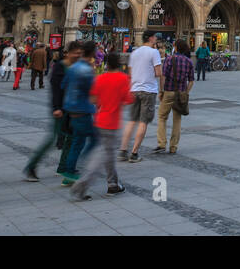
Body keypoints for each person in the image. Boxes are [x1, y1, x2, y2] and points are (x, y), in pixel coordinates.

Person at [74, 51, 130, 200]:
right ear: (119, 63)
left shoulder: (100, 78)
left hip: (99, 120)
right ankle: (83, 183)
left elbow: (92, 99)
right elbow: (128, 99)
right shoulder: (122, 78)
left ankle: (113, 185)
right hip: (112, 122)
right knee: (103, 155)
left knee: (109, 154)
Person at [24, 40, 80, 182]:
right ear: (67, 53)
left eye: (80, 53)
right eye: (75, 53)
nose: (78, 55)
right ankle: (31, 167)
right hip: (60, 109)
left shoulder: (76, 66)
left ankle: (63, 167)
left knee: (71, 138)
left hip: (72, 108)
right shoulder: (60, 67)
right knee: (53, 139)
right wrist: (56, 108)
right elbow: (56, 89)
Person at [58, 42, 98, 186]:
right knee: (94, 139)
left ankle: (69, 171)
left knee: (77, 141)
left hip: (71, 111)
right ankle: (78, 167)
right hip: (83, 110)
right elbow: (92, 92)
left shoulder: (73, 67)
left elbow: (63, 85)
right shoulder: (87, 70)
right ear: (92, 53)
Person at [121, 33, 163, 162]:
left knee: (132, 120)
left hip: (135, 89)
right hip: (148, 90)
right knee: (143, 121)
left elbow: (130, 72)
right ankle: (134, 153)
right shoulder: (154, 52)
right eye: (155, 38)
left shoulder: (134, 53)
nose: (156, 40)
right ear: (150, 38)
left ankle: (123, 150)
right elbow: (159, 73)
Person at [155, 38, 195, 152]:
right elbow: (191, 81)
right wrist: (186, 92)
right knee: (177, 120)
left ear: (176, 48)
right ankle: (173, 147)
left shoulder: (169, 59)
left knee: (162, 117)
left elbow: (163, 76)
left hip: (168, 91)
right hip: (180, 93)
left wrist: (161, 91)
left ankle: (162, 144)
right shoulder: (189, 61)